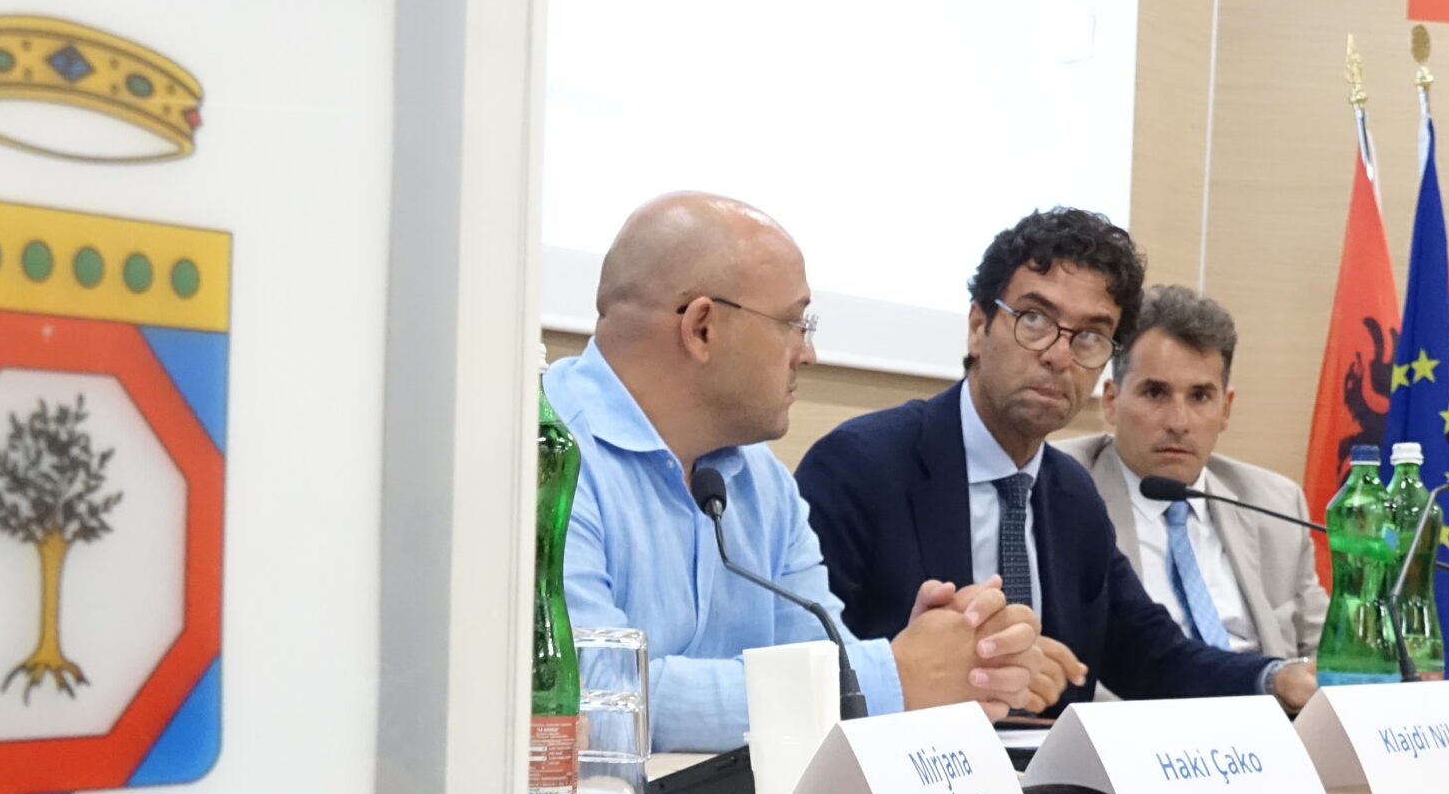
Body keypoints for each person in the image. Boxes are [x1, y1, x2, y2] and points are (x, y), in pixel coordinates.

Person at [547, 191, 1069, 751]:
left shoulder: (763, 482)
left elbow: (821, 659)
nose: (808, 353)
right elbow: (589, 697)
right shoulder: (539, 456)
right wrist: (894, 676)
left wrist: (947, 654)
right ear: (702, 328)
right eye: (795, 323)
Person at [796, 208, 1315, 713]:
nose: (1059, 355)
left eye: (1089, 336)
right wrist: (956, 667)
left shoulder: (1073, 494)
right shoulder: (862, 466)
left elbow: (1150, 654)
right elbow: (805, 671)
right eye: (1035, 320)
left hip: (1053, 766)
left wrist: (1275, 678)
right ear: (978, 327)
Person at [1055, 284, 1327, 659]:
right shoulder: (1061, 491)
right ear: (1112, 401)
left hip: (1268, 694)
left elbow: (1329, 652)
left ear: (1226, 408)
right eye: (1155, 393)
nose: (1179, 422)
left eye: (1200, 396)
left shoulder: (1275, 504)